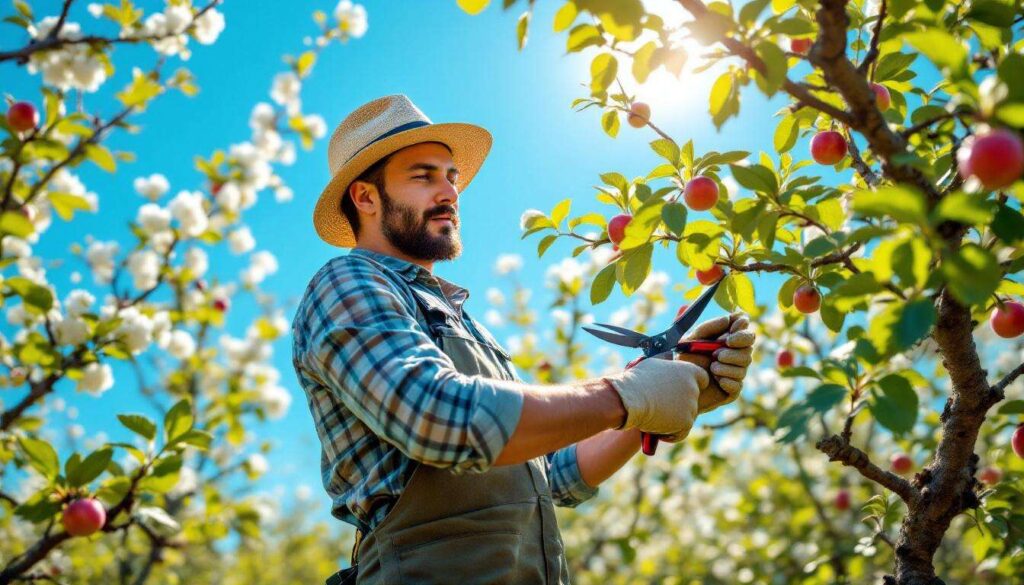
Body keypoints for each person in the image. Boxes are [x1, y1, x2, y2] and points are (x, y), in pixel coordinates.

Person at [291, 95, 756, 585]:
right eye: (423, 176)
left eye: (451, 176)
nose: (449, 191)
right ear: (365, 198)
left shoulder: (464, 321)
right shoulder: (348, 283)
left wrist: (667, 393)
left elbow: (552, 477)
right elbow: (438, 417)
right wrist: (628, 393)